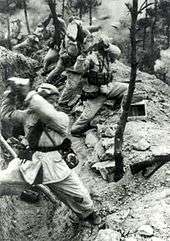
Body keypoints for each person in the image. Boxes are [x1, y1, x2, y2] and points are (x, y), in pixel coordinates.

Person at [1, 78, 101, 225]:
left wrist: (29, 94)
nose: (52, 104)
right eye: (46, 100)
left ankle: (88, 215)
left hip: (55, 165)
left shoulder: (61, 118)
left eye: (51, 100)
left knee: (81, 197)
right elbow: (6, 114)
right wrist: (10, 95)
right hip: (29, 163)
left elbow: (48, 115)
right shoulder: (27, 115)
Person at [71, 36, 128, 136]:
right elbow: (78, 70)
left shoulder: (108, 56)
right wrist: (82, 56)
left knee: (125, 88)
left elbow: (117, 52)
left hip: (109, 87)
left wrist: (107, 45)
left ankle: (117, 107)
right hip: (95, 92)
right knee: (88, 116)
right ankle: (75, 129)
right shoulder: (91, 58)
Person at [46, 16, 90, 84]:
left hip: (66, 55)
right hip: (67, 56)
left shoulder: (69, 34)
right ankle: (49, 79)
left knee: (59, 69)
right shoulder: (71, 37)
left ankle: (50, 79)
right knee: (60, 69)